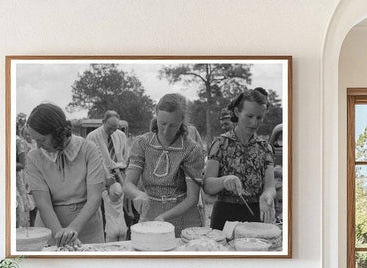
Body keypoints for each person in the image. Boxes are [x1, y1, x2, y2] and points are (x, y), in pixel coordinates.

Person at [124, 93, 204, 237]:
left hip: (183, 216)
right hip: (150, 212)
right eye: (162, 124)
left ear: (182, 121)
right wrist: (139, 194)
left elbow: (192, 199)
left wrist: (163, 217)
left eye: (173, 125)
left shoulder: (192, 149)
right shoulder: (142, 143)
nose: (166, 131)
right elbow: (128, 185)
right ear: (156, 116)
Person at [25, 103, 105, 247]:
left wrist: (73, 229)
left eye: (41, 140)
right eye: (35, 140)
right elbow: (43, 204)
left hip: (88, 230)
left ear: (57, 133)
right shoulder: (33, 157)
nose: (38, 145)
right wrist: (61, 235)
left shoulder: (89, 150)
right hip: (50, 230)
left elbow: (94, 198)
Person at [203, 88, 277, 230]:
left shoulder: (265, 148)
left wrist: (267, 195)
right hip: (224, 216)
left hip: (255, 215)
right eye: (249, 116)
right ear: (237, 112)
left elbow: (270, 186)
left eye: (259, 118)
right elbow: (207, 186)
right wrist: (224, 180)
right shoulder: (220, 144)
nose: (254, 123)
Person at [86, 110, 128, 242]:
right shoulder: (92, 137)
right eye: (110, 128)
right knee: (105, 208)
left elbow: (125, 156)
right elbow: (94, 160)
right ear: (103, 122)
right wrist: (106, 176)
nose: (112, 132)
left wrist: (120, 170)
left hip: (119, 173)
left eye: (115, 129)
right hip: (101, 176)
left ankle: (124, 234)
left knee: (123, 206)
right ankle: (104, 237)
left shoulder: (120, 135)